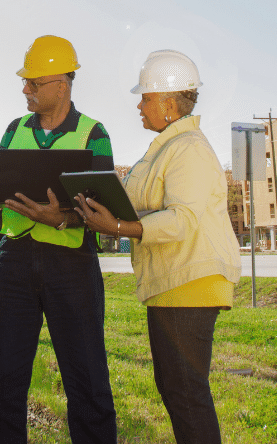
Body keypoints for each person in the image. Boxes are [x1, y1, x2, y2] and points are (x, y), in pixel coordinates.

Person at [74, 49, 241, 444]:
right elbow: (141, 202)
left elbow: (182, 219)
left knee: (185, 394)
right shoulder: (166, 147)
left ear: (168, 103)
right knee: (176, 390)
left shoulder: (190, 150)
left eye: (145, 98)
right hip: (173, 283)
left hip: (191, 282)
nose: (139, 105)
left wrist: (116, 225)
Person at [0, 35, 118, 443]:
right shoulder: (14, 130)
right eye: (26, 82)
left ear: (62, 85)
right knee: (1, 379)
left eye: (34, 83)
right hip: (13, 263)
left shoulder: (94, 134)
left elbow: (102, 207)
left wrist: (63, 217)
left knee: (87, 379)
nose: (25, 90)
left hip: (71, 267)